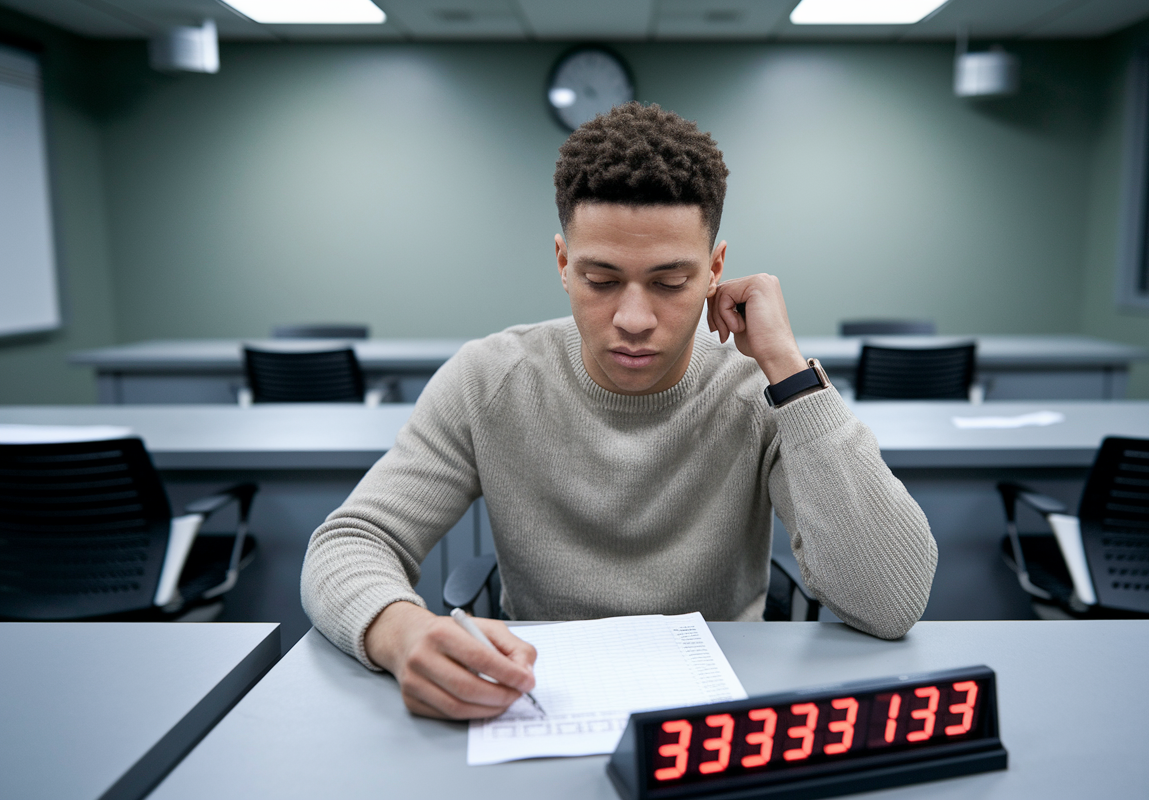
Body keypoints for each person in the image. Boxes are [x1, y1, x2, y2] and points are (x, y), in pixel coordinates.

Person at [301, 102, 937, 721]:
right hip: (532, 700)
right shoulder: (489, 379)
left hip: (718, 711)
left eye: (670, 282)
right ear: (562, 264)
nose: (634, 320)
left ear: (716, 270)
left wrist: (788, 369)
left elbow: (891, 602)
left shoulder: (762, 390)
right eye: (601, 280)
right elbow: (351, 542)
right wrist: (401, 631)